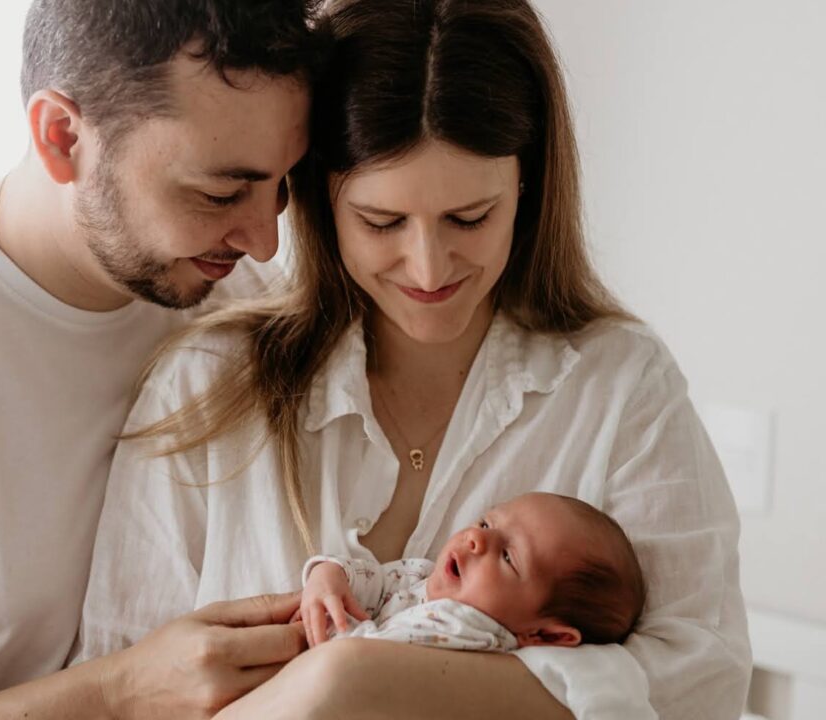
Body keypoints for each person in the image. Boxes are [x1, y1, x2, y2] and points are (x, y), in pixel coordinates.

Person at [76, 0, 751, 718]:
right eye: (381, 221)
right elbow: (119, 683)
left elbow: (702, 680)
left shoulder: (619, 385)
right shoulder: (207, 384)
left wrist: (352, 683)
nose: (428, 269)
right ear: (318, 200)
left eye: (469, 218)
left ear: (525, 186)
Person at [0, 1, 324, 717]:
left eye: (282, 185)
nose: (264, 242)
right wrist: (121, 693)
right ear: (61, 137)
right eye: (221, 192)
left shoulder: (238, 306)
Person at [299, 493, 646, 652]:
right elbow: (372, 580)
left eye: (508, 556)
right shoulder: (424, 575)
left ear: (547, 636)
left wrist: (327, 623)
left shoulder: (463, 630)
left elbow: (353, 663)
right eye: (486, 522)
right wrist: (329, 575)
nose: (476, 538)